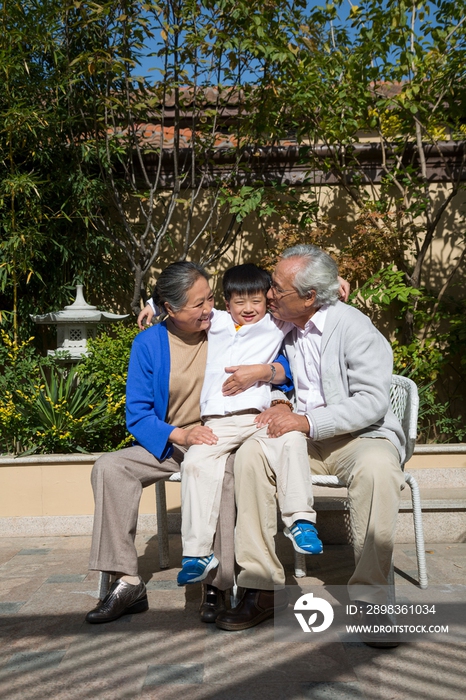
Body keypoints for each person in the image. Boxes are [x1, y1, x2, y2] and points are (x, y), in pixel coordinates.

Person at [215, 244, 406, 648]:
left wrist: (305, 420)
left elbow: (372, 401)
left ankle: (372, 601)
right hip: (302, 440)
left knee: (378, 470)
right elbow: (213, 317)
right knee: (251, 456)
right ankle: (261, 587)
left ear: (310, 298)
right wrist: (279, 393)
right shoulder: (285, 321)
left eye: (277, 290)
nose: (269, 296)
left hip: (358, 436)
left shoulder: (354, 327)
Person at [85, 262, 270, 625]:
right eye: (198, 304)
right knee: (109, 467)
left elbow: (276, 318)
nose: (208, 310)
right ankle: (126, 581)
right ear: (171, 309)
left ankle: (216, 584)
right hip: (173, 440)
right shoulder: (149, 343)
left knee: (223, 475)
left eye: (211, 299)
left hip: (220, 436)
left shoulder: (225, 327)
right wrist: (180, 434)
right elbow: (137, 414)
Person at [177, 264, 322, 587]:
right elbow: (181, 304)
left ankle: (300, 520)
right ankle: (198, 553)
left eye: (255, 300)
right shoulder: (215, 323)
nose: (248, 309)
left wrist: (335, 281)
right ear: (226, 304)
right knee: (196, 464)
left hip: (257, 416)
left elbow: (311, 301)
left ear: (267, 300)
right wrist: (151, 304)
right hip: (218, 421)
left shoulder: (276, 323)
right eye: (239, 302)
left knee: (291, 439)